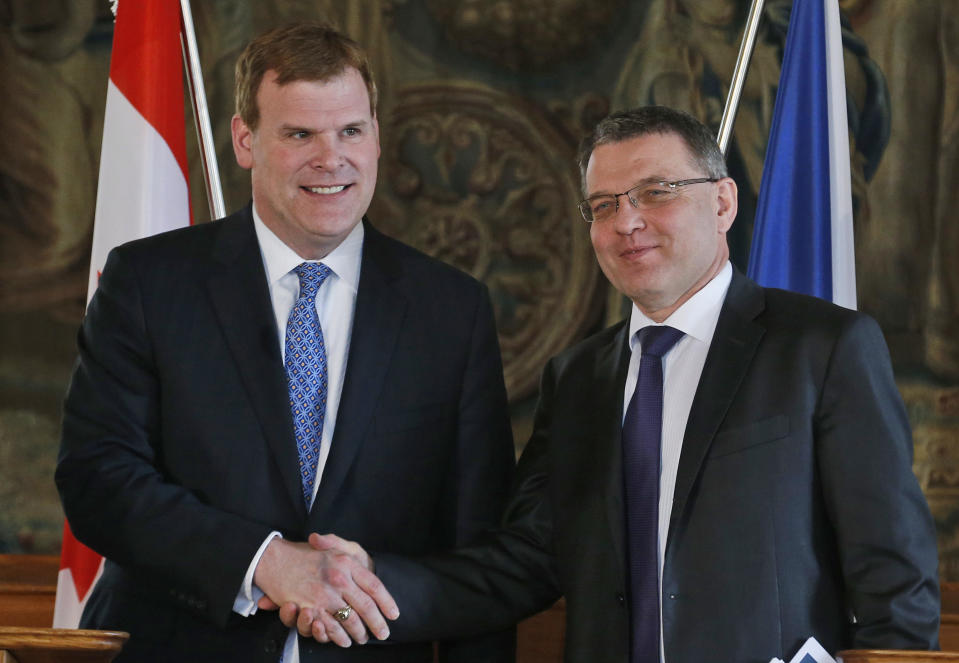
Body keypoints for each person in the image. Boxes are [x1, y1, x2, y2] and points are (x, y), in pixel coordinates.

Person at [312, 105, 940, 662]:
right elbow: (523, 564)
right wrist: (368, 583)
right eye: (604, 205)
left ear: (722, 202)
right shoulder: (579, 378)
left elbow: (893, 576)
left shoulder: (823, 348)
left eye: (656, 192)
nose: (627, 222)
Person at [55, 22, 515, 663]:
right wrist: (263, 561)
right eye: (299, 134)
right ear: (246, 140)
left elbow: (479, 545)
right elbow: (99, 480)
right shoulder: (148, 281)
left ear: (376, 136)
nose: (332, 159)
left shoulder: (451, 309)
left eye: (351, 131)